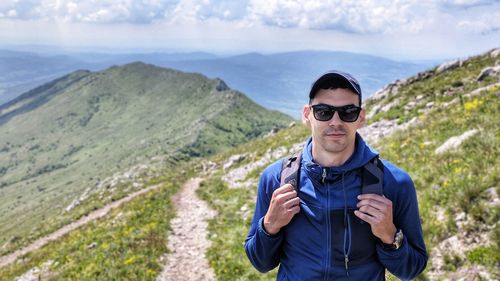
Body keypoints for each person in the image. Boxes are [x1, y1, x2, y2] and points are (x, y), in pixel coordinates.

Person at [244, 70, 428, 280]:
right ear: (307, 115)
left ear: (360, 118)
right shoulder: (277, 178)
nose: (335, 121)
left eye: (348, 111)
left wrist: (390, 236)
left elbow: (412, 268)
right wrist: (269, 226)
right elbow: (260, 262)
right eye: (323, 111)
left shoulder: (395, 183)